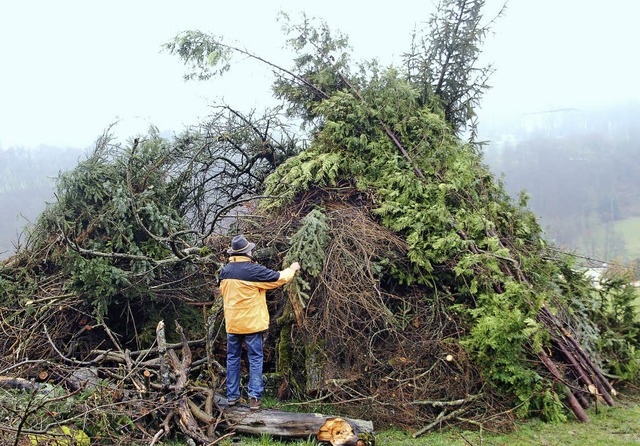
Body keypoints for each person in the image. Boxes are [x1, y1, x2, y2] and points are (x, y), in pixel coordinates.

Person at [218, 234, 300, 410]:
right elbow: (278, 278)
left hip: (232, 323)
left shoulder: (224, 271)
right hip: (252, 323)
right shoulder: (252, 270)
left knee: (233, 358)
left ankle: (232, 396)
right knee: (255, 358)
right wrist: (292, 269)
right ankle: (254, 398)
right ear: (247, 252)